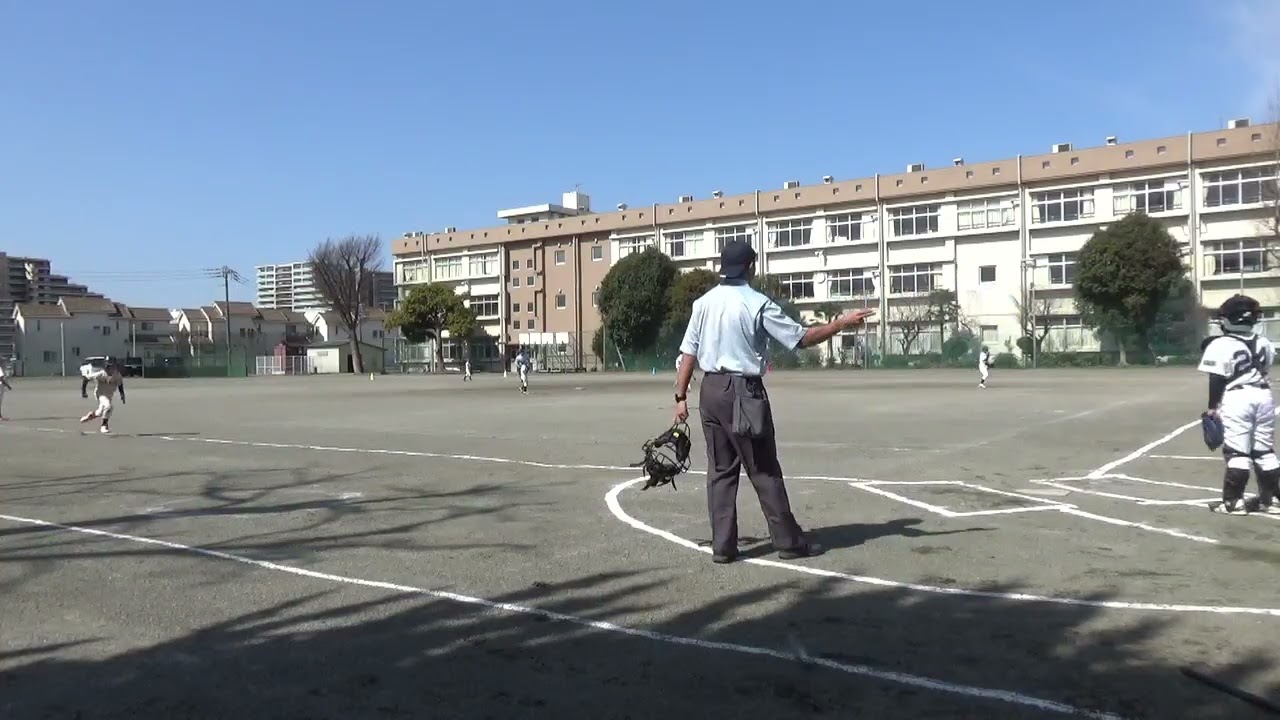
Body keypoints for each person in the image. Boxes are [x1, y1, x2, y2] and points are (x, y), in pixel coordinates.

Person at [673, 239, 875, 563]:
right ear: (750, 267)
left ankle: (723, 546)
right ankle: (789, 542)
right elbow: (801, 338)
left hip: (709, 391)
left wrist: (680, 396)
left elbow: (688, 353)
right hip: (742, 391)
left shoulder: (703, 303)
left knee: (721, 470)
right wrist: (840, 324)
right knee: (763, 467)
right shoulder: (756, 303)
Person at [1198, 294, 1278, 515]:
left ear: (1229, 319)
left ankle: (1234, 503)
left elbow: (1217, 379)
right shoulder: (1264, 343)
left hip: (1238, 397)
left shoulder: (1220, 344)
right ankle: (1270, 501)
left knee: (1237, 453)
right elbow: (1265, 369)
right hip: (1264, 397)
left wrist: (1213, 407)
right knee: (1264, 451)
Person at [80, 359, 126, 434]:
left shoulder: (117, 375)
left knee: (100, 412)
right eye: (107, 366)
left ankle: (90, 416)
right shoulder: (101, 374)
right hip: (100, 394)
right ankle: (104, 425)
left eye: (111, 366)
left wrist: (122, 395)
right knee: (109, 406)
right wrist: (83, 391)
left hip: (109, 395)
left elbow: (120, 385)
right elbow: (86, 379)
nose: (109, 368)